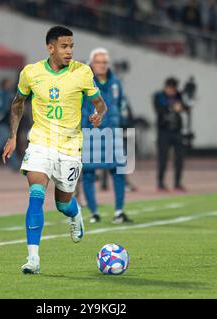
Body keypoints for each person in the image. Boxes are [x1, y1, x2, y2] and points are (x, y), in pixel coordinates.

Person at [2, 26, 108, 274]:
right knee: (36, 194)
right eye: (64, 46)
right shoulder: (31, 73)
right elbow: (18, 103)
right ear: (50, 48)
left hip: (70, 146)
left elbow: (100, 103)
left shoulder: (82, 72)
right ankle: (33, 259)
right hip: (40, 142)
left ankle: (75, 213)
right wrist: (12, 137)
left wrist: (98, 114)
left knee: (63, 204)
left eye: (71, 46)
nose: (69, 51)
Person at [81, 48, 132, 224]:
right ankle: (93, 212)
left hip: (112, 132)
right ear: (91, 63)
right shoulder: (84, 81)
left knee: (119, 172)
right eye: (98, 62)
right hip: (90, 133)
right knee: (88, 173)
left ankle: (119, 211)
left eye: (104, 62)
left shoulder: (115, 82)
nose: (101, 65)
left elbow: (119, 104)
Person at [153, 77, 188, 192]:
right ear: (166, 87)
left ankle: (177, 182)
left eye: (174, 88)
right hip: (164, 131)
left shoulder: (179, 96)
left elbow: (185, 108)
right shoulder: (159, 96)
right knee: (163, 158)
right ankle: (160, 182)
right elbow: (159, 110)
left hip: (177, 131)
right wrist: (173, 108)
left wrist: (185, 106)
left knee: (179, 158)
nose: (173, 91)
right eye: (171, 88)